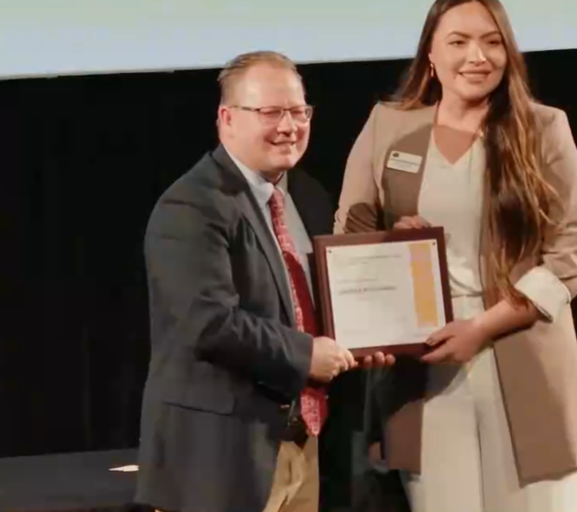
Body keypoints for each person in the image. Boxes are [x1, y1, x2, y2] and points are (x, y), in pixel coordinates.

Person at [334, 0, 577, 512]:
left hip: (527, 363)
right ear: (430, 54)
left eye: (492, 41)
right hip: (426, 372)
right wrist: (390, 245)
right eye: (458, 41)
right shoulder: (388, 126)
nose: (476, 57)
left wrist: (482, 327)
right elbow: (351, 234)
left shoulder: (544, 128)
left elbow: (571, 252)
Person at [135, 50, 390, 512]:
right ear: (227, 119)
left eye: (299, 111)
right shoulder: (192, 205)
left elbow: (322, 300)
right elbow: (209, 322)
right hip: (225, 458)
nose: (289, 125)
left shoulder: (305, 196)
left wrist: (363, 335)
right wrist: (307, 354)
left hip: (303, 446)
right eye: (271, 112)